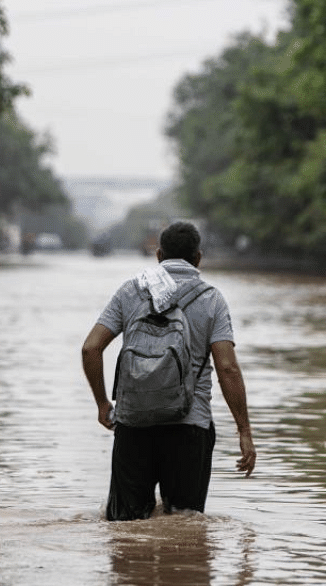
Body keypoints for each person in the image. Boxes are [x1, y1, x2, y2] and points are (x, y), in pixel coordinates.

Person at [81, 221, 256, 521]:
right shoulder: (212, 299)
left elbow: (90, 349)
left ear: (159, 255)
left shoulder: (130, 291)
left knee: (125, 529)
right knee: (185, 530)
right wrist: (244, 430)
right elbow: (227, 368)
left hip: (133, 424)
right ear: (198, 258)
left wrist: (102, 404)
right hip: (190, 427)